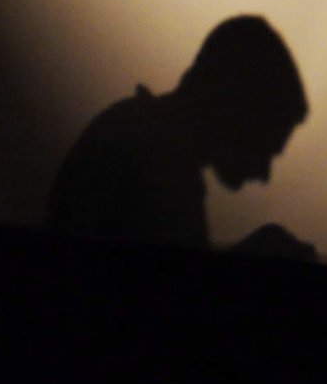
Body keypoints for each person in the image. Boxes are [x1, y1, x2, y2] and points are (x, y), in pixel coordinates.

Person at [45, 13, 313, 258]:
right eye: (266, 145)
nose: (264, 173)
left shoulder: (138, 130)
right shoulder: (162, 166)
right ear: (238, 110)